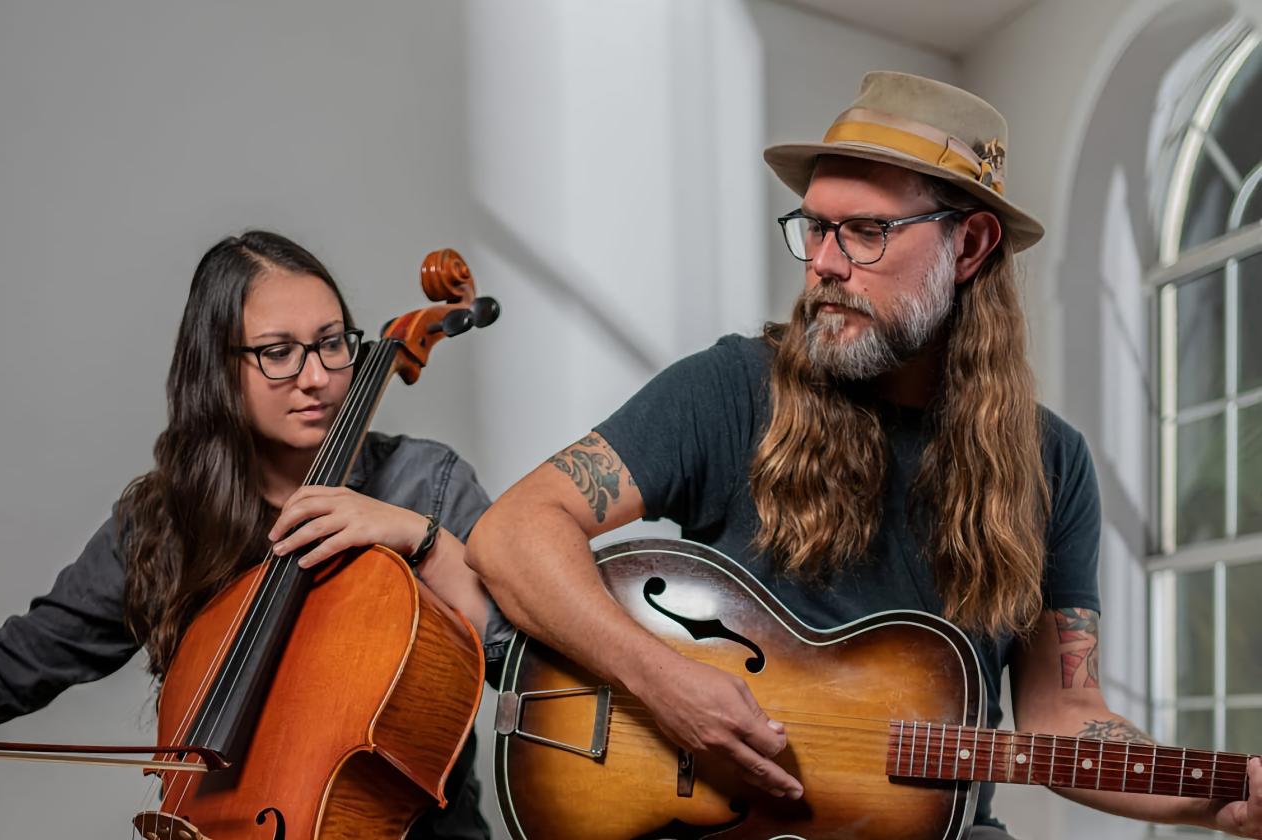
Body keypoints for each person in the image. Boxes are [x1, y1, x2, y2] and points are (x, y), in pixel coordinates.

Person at [467, 72, 1262, 837]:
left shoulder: (1052, 463)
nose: (825, 263)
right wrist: (665, 683)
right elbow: (515, 532)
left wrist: (1216, 799)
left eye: (867, 232)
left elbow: (1064, 718)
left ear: (971, 245)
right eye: (815, 225)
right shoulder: (732, 388)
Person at [0, 230, 512, 838]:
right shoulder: (166, 523)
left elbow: (520, 668)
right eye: (278, 353)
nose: (316, 376)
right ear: (219, 368)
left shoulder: (424, 484)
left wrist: (423, 540)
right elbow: (16, 661)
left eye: (333, 342)